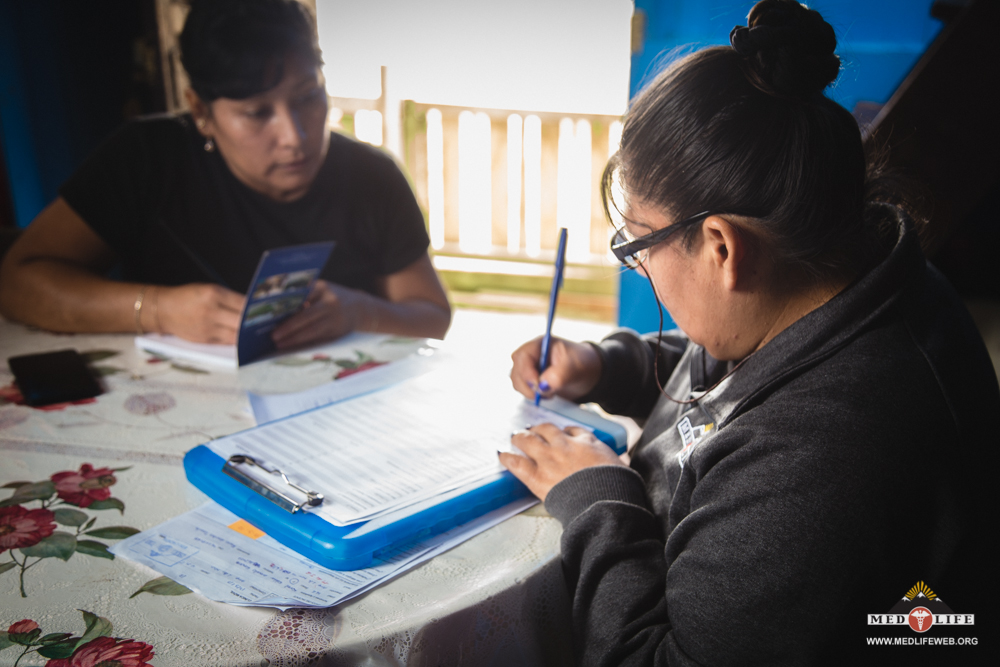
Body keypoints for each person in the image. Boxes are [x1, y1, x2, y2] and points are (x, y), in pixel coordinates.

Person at [503, 1, 998, 664]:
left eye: (640, 243)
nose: (639, 263)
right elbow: (736, 379)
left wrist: (599, 497)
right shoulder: (847, 278)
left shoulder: (828, 461)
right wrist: (605, 365)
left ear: (722, 249)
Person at [0, 0, 450, 347]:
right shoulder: (147, 158)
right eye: (257, 113)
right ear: (201, 111)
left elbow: (432, 315)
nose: (294, 136)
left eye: (308, 97)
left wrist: (361, 312)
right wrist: (156, 310)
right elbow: (18, 282)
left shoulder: (373, 177)